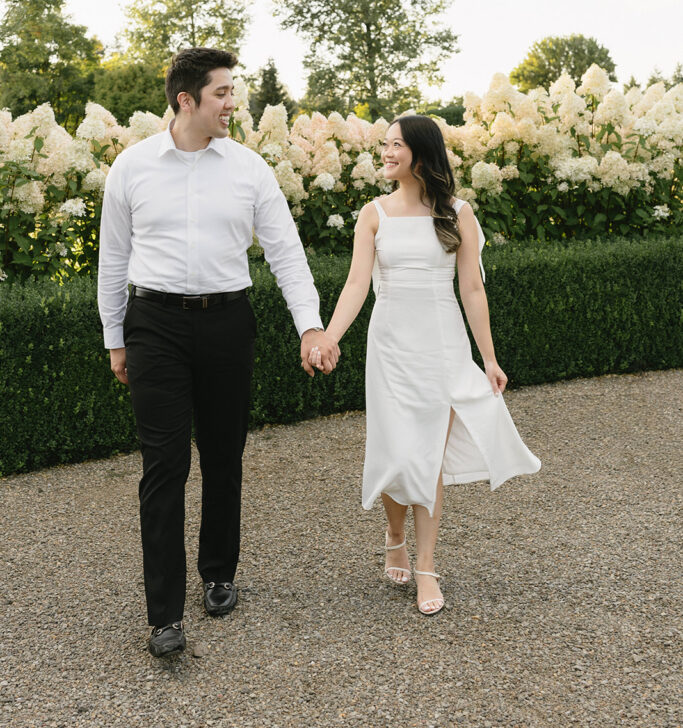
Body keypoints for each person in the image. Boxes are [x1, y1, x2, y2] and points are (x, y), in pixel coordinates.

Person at [98, 47, 339, 656]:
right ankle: (163, 617)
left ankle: (218, 573)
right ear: (186, 100)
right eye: (224, 93)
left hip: (230, 322)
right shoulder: (131, 168)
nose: (235, 103)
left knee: (224, 455)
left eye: (234, 92)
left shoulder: (249, 169)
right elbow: (113, 261)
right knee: (164, 466)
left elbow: (286, 252)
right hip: (154, 324)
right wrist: (115, 337)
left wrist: (310, 327)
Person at [309, 114, 540, 615]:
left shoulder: (458, 212)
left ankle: (427, 567)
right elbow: (356, 285)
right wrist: (329, 336)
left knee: (428, 453)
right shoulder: (373, 214)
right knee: (397, 448)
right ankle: (394, 535)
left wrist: (490, 359)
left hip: (442, 346)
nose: (386, 153)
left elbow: (472, 289)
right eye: (385, 145)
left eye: (396, 145)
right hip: (390, 347)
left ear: (420, 153)